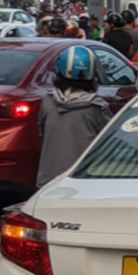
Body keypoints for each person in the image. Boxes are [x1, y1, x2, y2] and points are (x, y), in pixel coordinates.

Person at [36, 46, 113, 188]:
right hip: (84, 179)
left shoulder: (48, 101)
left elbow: (43, 133)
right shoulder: (97, 107)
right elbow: (110, 142)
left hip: (48, 180)